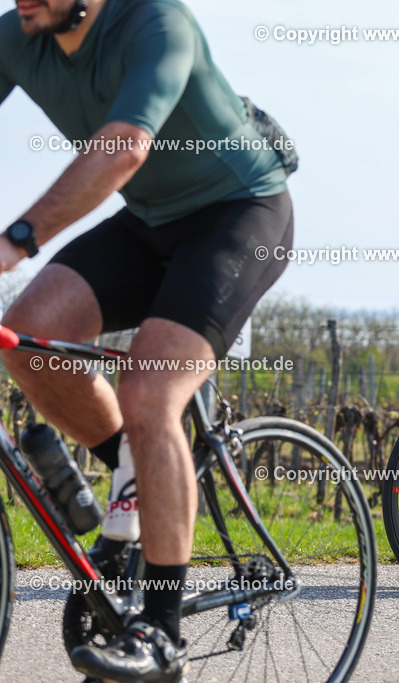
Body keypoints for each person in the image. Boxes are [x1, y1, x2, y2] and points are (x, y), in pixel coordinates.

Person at [0, 0, 295, 679]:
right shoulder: (21, 34)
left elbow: (123, 147)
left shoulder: (156, 22)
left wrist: (15, 241)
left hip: (239, 214)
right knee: (28, 337)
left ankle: (160, 632)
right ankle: (145, 475)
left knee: (149, 388)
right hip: (151, 219)